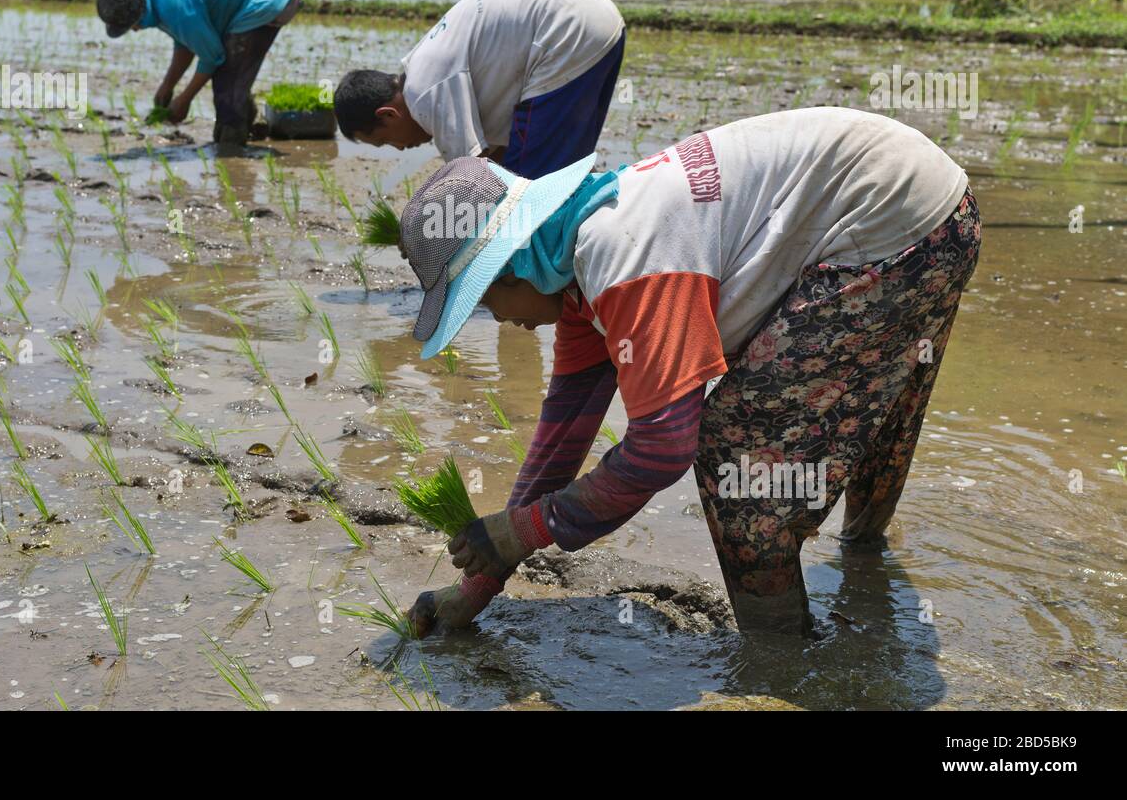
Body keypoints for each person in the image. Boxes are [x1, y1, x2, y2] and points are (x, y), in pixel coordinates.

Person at [395, 107, 981, 636]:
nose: (499, 319)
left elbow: (661, 449)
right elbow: (561, 437)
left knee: (738, 455)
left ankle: (778, 661)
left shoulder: (619, 255)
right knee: (872, 397)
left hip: (894, 224)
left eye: (482, 301)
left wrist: (521, 531)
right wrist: (482, 578)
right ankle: (865, 556)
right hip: (926, 203)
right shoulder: (577, 266)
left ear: (510, 269)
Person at [333, 0, 624, 179]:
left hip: (565, 33)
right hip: (598, 24)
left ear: (388, 115)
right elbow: (494, 163)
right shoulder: (423, 70)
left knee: (533, 186)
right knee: (565, 173)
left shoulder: (425, 94)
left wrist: (426, 233)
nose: (399, 148)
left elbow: (475, 179)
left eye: (385, 141)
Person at [95, 0, 300, 145]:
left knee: (227, 78)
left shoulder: (174, 3)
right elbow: (186, 44)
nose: (133, 30)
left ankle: (231, 149)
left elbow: (212, 56)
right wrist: (167, 86)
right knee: (231, 77)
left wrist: (184, 99)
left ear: (137, 14)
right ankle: (242, 124)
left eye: (129, 26)